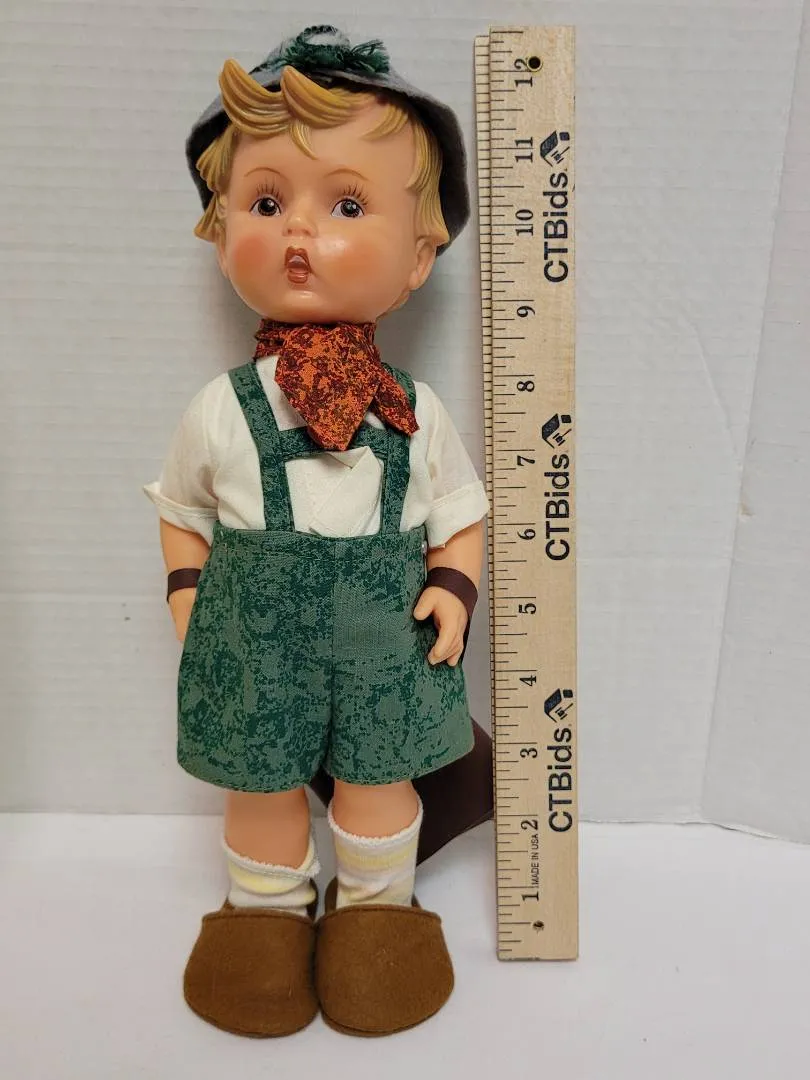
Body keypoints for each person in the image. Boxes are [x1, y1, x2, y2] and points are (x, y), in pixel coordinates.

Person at [143, 25, 489, 1038]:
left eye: (346, 204)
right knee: (262, 785)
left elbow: (460, 514)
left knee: (381, 781)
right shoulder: (223, 408)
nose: (299, 229)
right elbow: (183, 509)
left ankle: (377, 914)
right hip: (252, 640)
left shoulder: (415, 408)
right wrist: (188, 590)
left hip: (389, 641)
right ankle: (263, 916)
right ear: (221, 234)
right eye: (265, 203)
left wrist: (453, 586)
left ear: (420, 255)